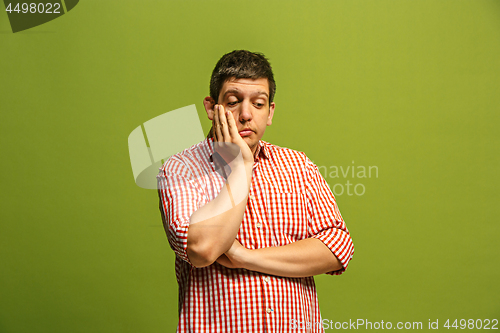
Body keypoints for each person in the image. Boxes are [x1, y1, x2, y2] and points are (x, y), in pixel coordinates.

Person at [157, 50, 354, 332]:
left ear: (270, 112)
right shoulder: (180, 169)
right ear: (212, 108)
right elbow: (202, 249)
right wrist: (241, 167)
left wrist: (245, 257)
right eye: (234, 102)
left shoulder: (298, 165)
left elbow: (338, 248)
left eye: (258, 104)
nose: (246, 115)